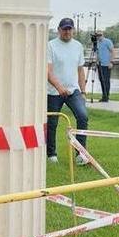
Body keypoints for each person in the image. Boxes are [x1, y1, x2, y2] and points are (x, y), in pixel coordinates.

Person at [46, 17, 88, 165]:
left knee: (82, 117)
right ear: (59, 30)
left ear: (73, 30)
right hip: (53, 91)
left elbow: (80, 71)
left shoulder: (78, 46)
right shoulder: (50, 45)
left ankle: (81, 154)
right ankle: (51, 154)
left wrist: (83, 91)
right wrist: (59, 87)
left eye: (70, 29)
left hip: (73, 91)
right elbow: (48, 71)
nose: (67, 31)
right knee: (52, 122)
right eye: (64, 29)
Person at [95, 31, 116, 102]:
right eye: (97, 35)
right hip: (99, 65)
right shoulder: (97, 43)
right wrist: (96, 62)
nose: (98, 36)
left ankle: (106, 96)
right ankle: (104, 95)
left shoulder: (107, 41)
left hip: (107, 64)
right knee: (101, 80)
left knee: (106, 81)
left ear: (103, 35)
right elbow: (97, 53)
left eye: (100, 35)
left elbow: (113, 51)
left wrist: (111, 62)